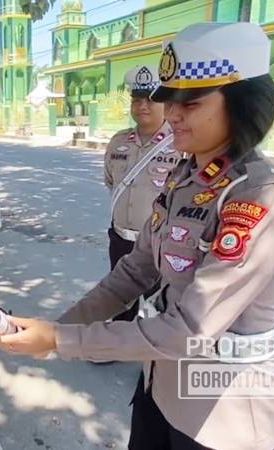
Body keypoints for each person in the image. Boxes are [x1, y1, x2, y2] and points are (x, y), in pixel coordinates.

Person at [0, 22, 274, 450]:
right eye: (168, 101)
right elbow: (135, 271)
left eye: (190, 103)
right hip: (160, 390)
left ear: (242, 103)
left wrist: (60, 341)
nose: (171, 114)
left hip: (226, 418)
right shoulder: (186, 177)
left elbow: (186, 330)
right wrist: (53, 329)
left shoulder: (261, 196)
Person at [104, 65, 183, 322]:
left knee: (155, 303)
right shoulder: (118, 142)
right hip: (120, 239)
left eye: (151, 100)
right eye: (136, 100)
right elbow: (110, 181)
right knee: (118, 296)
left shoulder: (181, 144)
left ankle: (150, 359)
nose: (143, 106)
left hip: (159, 243)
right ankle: (114, 343)